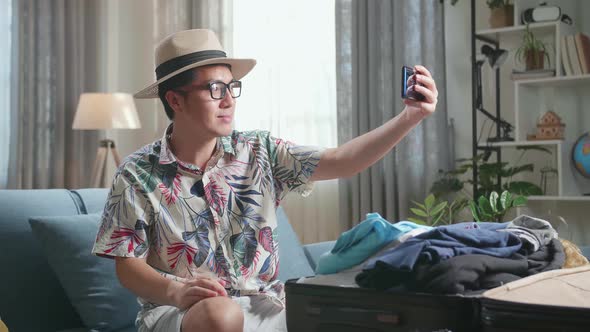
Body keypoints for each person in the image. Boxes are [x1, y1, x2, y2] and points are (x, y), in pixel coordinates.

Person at [92, 29, 438, 332]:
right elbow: (128, 265)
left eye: (232, 88)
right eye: (215, 89)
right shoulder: (137, 173)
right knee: (220, 315)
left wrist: (410, 117)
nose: (228, 100)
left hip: (268, 306)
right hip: (181, 313)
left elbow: (342, 161)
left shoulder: (259, 150)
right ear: (175, 99)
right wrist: (176, 292)